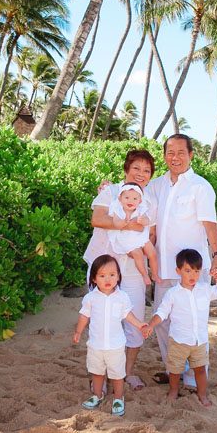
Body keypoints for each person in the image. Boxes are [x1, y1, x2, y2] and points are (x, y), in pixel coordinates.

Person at [145, 134, 217, 389]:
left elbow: (210, 227)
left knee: (193, 323)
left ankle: (192, 378)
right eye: (170, 152)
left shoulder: (200, 187)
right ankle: (175, 370)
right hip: (164, 267)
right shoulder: (156, 186)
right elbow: (136, 204)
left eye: (181, 152)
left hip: (191, 270)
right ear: (164, 155)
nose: (175, 157)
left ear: (191, 155)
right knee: (163, 322)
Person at [83, 149, 157, 390]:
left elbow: (151, 233)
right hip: (104, 264)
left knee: (134, 318)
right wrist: (128, 225)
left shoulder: (149, 201)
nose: (140, 174)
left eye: (146, 171)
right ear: (126, 169)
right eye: (136, 168)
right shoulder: (110, 191)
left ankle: (127, 372)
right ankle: (100, 376)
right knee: (101, 322)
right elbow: (97, 219)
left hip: (134, 269)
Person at [144, 248, 217, 407]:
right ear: (178, 271)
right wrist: (150, 325)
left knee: (200, 369)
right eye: (187, 271)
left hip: (199, 340)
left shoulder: (204, 290)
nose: (192, 275)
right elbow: (162, 312)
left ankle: (202, 395)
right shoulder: (173, 293)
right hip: (178, 340)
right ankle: (173, 391)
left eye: (196, 271)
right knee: (175, 370)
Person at [72, 255, 148, 416]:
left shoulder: (122, 297)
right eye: (102, 275)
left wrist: (139, 324)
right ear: (94, 278)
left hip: (115, 345)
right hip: (95, 345)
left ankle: (118, 398)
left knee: (117, 374)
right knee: (96, 372)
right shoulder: (91, 298)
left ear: (118, 276)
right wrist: (78, 332)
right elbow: (84, 316)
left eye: (112, 275)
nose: (108, 279)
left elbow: (128, 315)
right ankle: (97, 396)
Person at [108, 183, 162, 287]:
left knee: (153, 254)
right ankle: (145, 274)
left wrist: (142, 221)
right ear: (120, 199)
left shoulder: (141, 209)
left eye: (134, 199)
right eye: (127, 198)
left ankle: (155, 274)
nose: (130, 201)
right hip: (127, 238)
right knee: (138, 254)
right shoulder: (118, 210)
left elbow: (148, 221)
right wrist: (123, 223)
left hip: (140, 236)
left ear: (139, 201)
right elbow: (115, 223)